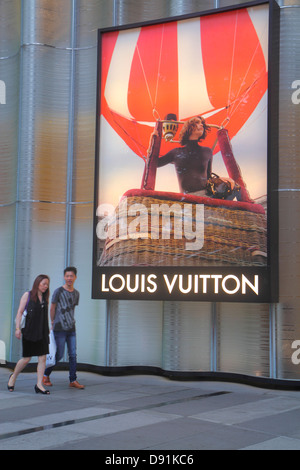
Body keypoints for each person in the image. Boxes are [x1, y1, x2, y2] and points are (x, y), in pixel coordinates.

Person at [8, 275, 50, 395]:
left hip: (42, 332)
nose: (45, 286)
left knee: (42, 358)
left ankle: (39, 385)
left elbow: (44, 315)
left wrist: (48, 329)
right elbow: (20, 312)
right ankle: (13, 376)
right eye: (43, 284)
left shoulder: (45, 298)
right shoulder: (28, 295)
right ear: (37, 283)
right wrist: (17, 329)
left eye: (47, 284)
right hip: (29, 331)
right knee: (26, 359)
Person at [43, 267, 84, 389]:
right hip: (59, 328)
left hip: (71, 329)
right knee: (59, 355)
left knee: (73, 354)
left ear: (75, 277)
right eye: (67, 276)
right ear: (64, 277)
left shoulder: (76, 293)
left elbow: (72, 309)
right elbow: (52, 308)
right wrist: (52, 322)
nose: (69, 278)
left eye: (71, 276)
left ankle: (73, 380)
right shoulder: (58, 291)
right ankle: (45, 375)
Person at [157, 116, 213, 195]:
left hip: (205, 197)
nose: (201, 125)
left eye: (202, 123)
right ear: (189, 127)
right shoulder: (176, 152)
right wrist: (153, 139)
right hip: (186, 198)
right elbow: (155, 164)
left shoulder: (207, 151)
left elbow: (209, 177)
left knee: (235, 188)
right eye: (197, 122)